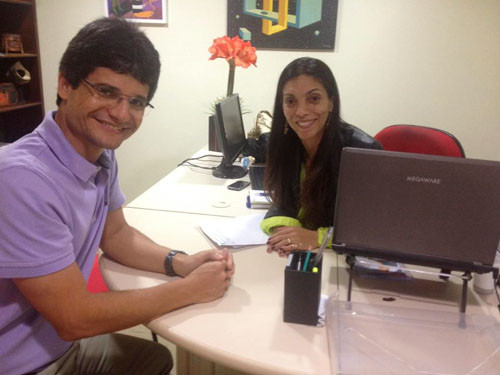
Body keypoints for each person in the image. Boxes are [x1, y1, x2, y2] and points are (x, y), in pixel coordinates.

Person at [0, 18, 234, 375]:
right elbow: (74, 318)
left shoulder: (100, 154)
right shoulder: (22, 179)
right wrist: (189, 290)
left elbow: (117, 235)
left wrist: (180, 263)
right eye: (106, 92)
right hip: (22, 364)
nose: (122, 114)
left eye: (137, 101)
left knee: (156, 360)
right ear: (65, 83)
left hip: (59, 345)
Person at [261, 57, 382, 255]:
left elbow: (372, 226)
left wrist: (317, 237)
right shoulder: (287, 144)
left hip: (343, 265)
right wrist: (283, 232)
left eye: (314, 99)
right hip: (304, 257)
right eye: (291, 101)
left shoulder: (362, 153)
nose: (301, 111)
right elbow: (283, 202)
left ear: (331, 102)